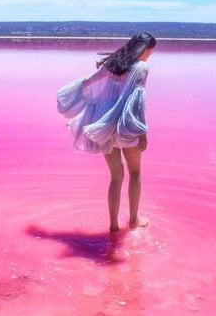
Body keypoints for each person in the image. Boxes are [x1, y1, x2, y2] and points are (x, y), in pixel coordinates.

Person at [56, 32, 155, 233]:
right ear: (145, 49)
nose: (149, 56)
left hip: (105, 126)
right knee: (135, 173)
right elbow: (137, 103)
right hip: (126, 126)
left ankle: (113, 226)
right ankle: (134, 220)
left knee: (116, 177)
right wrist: (143, 133)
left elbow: (89, 82)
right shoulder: (142, 67)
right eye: (150, 52)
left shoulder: (112, 64)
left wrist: (71, 100)